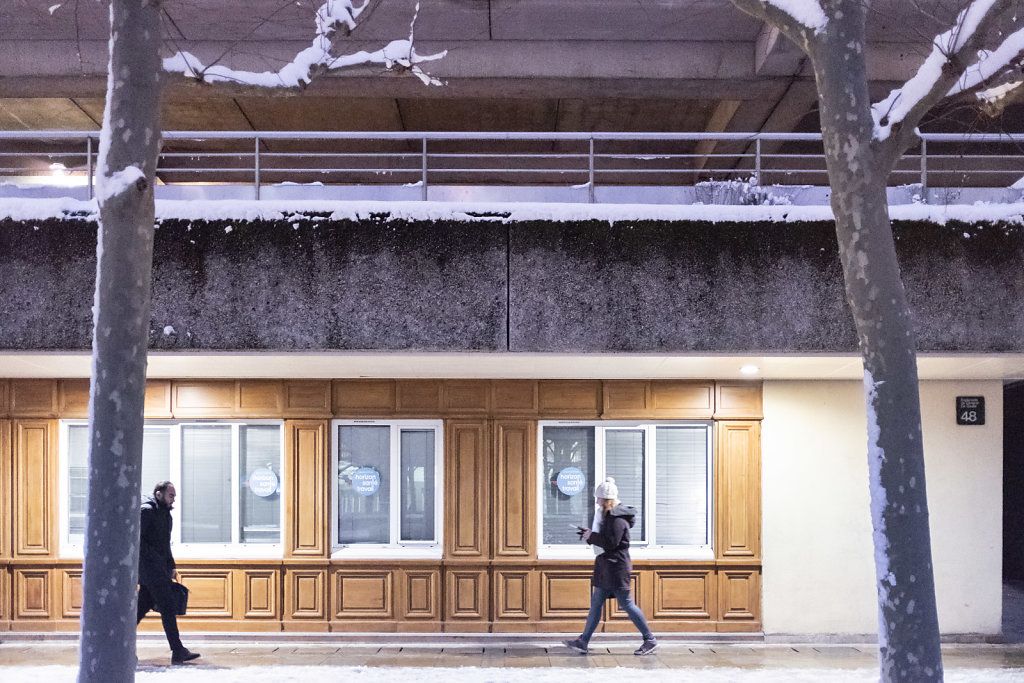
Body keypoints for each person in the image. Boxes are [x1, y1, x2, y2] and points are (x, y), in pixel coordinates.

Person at [563, 477, 658, 656]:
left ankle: (650, 639)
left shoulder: (617, 518)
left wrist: (591, 536)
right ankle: (583, 641)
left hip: (616, 569)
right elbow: (606, 540)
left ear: (607, 500)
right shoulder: (609, 516)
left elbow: (612, 542)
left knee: (627, 603)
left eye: (599, 498)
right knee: (596, 603)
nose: (597, 502)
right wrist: (589, 534)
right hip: (607, 568)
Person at [136, 481, 201, 665]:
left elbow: (165, 544)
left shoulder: (165, 515)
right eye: (171, 495)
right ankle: (178, 650)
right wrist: (156, 560)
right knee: (167, 608)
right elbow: (138, 541)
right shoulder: (147, 511)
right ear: (159, 494)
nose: (173, 499)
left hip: (157, 571)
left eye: (174, 496)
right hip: (151, 571)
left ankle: (117, 644)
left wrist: (171, 565)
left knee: (140, 610)